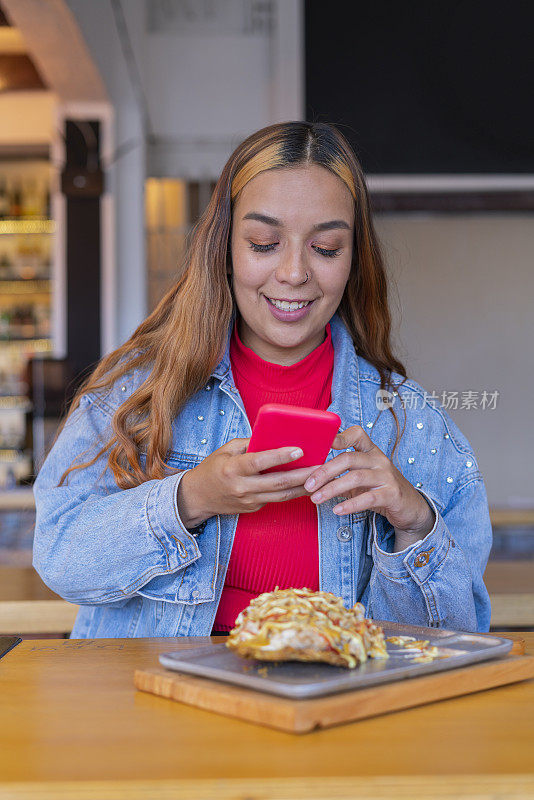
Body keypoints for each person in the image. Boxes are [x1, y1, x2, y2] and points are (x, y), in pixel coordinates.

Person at [33, 122, 492, 638]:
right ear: (225, 248)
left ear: (352, 260)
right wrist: (189, 498)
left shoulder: (415, 426)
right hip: (164, 706)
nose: (294, 272)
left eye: (325, 248)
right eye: (264, 242)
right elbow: (59, 556)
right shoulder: (138, 394)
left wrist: (413, 523)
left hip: (329, 709)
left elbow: (457, 635)